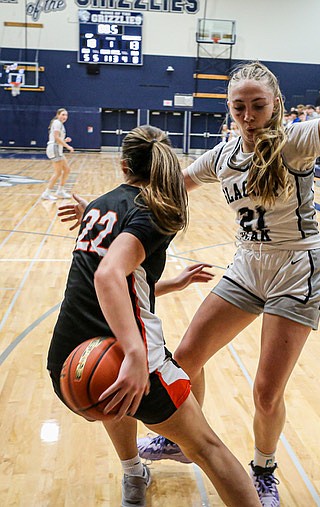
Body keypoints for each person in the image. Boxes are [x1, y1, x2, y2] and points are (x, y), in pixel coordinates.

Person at [62, 4, 320, 505]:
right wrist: (104, 206)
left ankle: (265, 469)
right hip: (246, 267)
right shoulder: (223, 153)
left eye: (257, 105)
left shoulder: (298, 140)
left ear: (274, 104)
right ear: (229, 109)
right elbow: (163, 187)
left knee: (264, 391)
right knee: (186, 358)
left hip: (296, 270)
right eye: (238, 107)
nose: (248, 116)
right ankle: (178, 442)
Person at [48, 125, 262, 507]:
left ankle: (133, 472)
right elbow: (109, 274)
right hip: (124, 352)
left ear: (124, 164)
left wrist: (168, 284)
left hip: (67, 353)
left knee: (112, 394)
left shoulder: (100, 205)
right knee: (207, 448)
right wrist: (133, 354)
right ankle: (149, 461)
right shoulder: (155, 212)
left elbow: (118, 279)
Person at [42, 108, 74, 200]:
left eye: (66, 115)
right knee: (58, 172)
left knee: (67, 170)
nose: (65, 117)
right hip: (54, 149)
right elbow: (56, 138)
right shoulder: (57, 123)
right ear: (58, 115)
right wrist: (67, 146)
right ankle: (46, 193)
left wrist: (64, 140)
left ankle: (60, 190)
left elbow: (57, 138)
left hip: (58, 149)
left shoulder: (60, 124)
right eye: (63, 114)